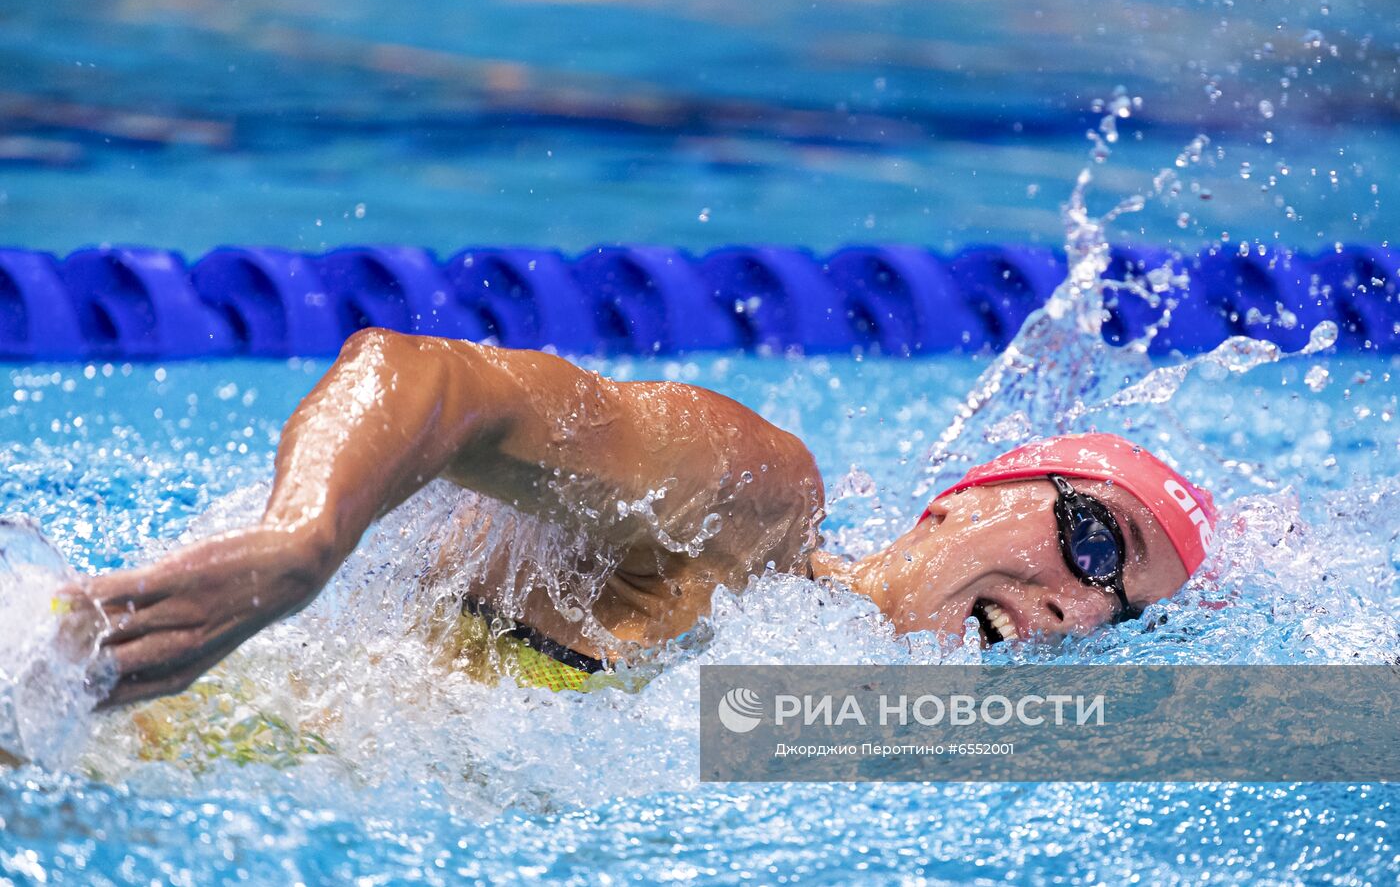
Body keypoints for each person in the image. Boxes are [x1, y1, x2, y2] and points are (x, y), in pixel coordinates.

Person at [61, 329, 1217, 707]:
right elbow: (428, 379)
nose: (1074, 606)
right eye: (1092, 542)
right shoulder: (750, 514)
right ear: (973, 496)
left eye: (1115, 616)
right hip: (118, 703)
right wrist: (297, 545)